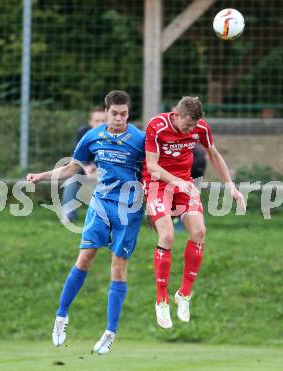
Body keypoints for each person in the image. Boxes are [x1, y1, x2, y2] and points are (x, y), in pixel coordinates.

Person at [27, 91, 145, 354]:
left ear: (129, 113)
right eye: (114, 113)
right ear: (106, 112)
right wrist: (42, 175)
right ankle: (61, 316)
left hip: (130, 209)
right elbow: (72, 168)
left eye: (123, 113)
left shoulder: (139, 139)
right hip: (101, 204)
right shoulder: (92, 137)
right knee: (85, 257)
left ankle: (110, 331)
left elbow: (152, 171)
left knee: (118, 266)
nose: (118, 118)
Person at [142, 96, 245, 329]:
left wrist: (230, 185)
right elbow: (152, 166)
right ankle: (161, 299)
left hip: (183, 184)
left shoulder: (200, 127)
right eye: (187, 125)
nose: (190, 130)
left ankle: (184, 294)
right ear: (176, 115)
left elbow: (214, 155)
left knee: (199, 232)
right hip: (157, 184)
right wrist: (177, 182)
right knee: (167, 236)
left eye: (193, 126)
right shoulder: (157, 127)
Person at [61, 106, 106, 222]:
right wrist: (86, 168)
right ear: (90, 122)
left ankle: (105, 218)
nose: (100, 124)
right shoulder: (83, 133)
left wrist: (96, 169)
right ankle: (68, 216)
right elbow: (76, 159)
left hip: (106, 172)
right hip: (84, 170)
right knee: (71, 180)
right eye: (97, 121)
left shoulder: (112, 136)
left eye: (103, 121)